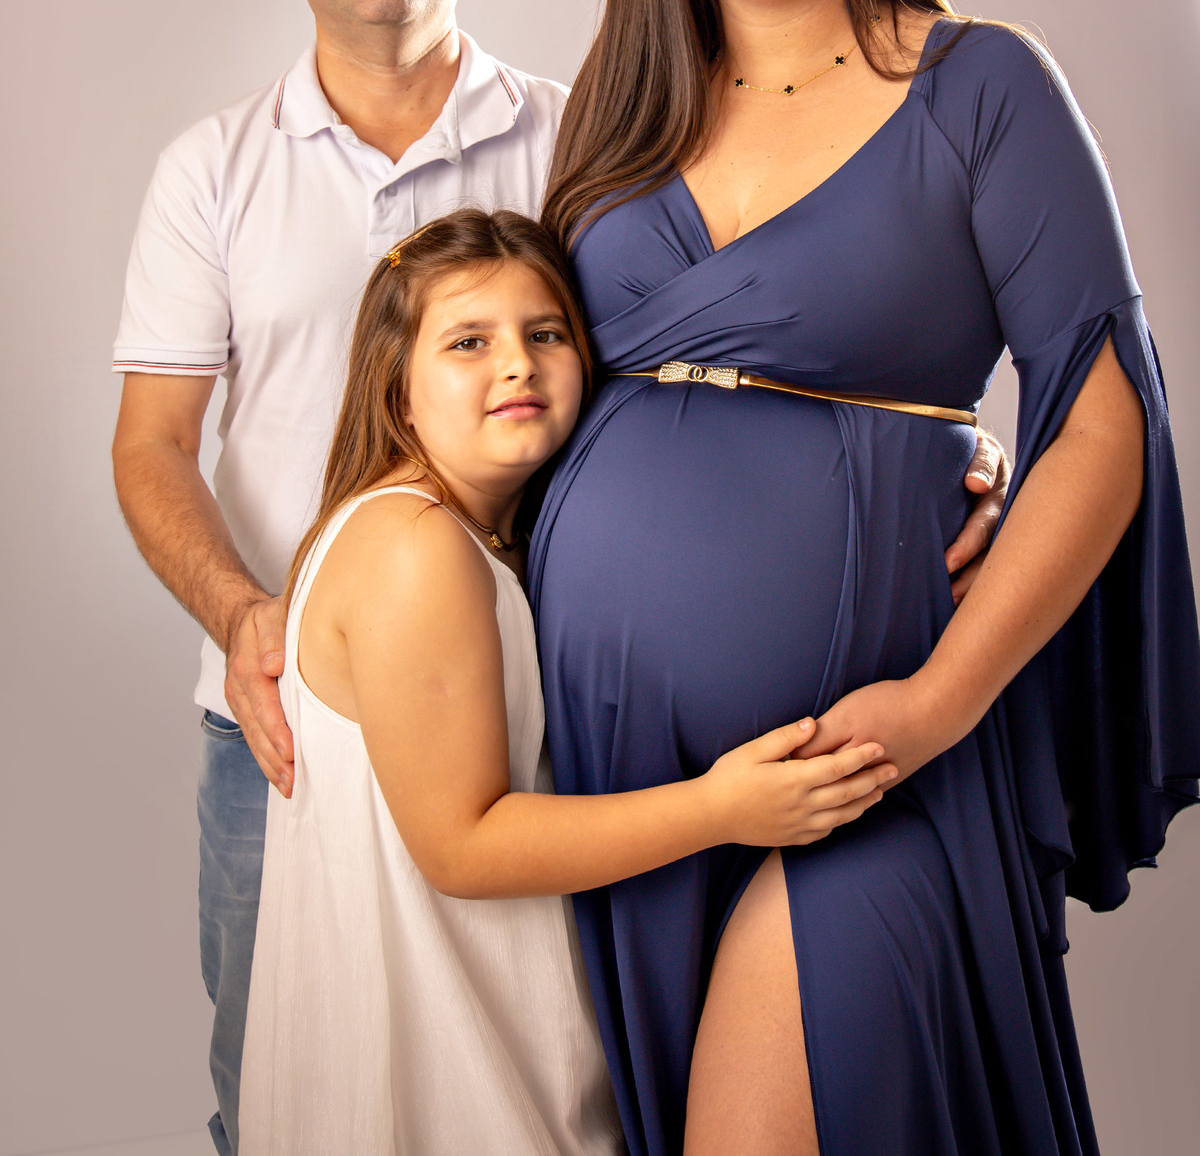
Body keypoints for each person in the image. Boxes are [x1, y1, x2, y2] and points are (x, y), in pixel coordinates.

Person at [111, 0, 1005, 1153]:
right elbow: (154, 445)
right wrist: (244, 619)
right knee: (299, 1066)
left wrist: (918, 445)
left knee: (533, 1052)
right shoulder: (213, 171)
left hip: (554, 681)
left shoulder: (589, 135)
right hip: (288, 709)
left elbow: (739, 335)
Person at [530, 0, 1200, 1156]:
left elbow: (1103, 422)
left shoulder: (981, 87)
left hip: (870, 756)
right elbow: (535, 400)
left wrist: (938, 703)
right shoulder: (619, 113)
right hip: (630, 781)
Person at [238, 208, 899, 1154]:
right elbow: (461, 847)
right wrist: (722, 809)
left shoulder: (469, 535)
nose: (518, 364)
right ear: (399, 388)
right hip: (448, 1073)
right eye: (469, 342)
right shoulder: (413, 547)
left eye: (545, 334)